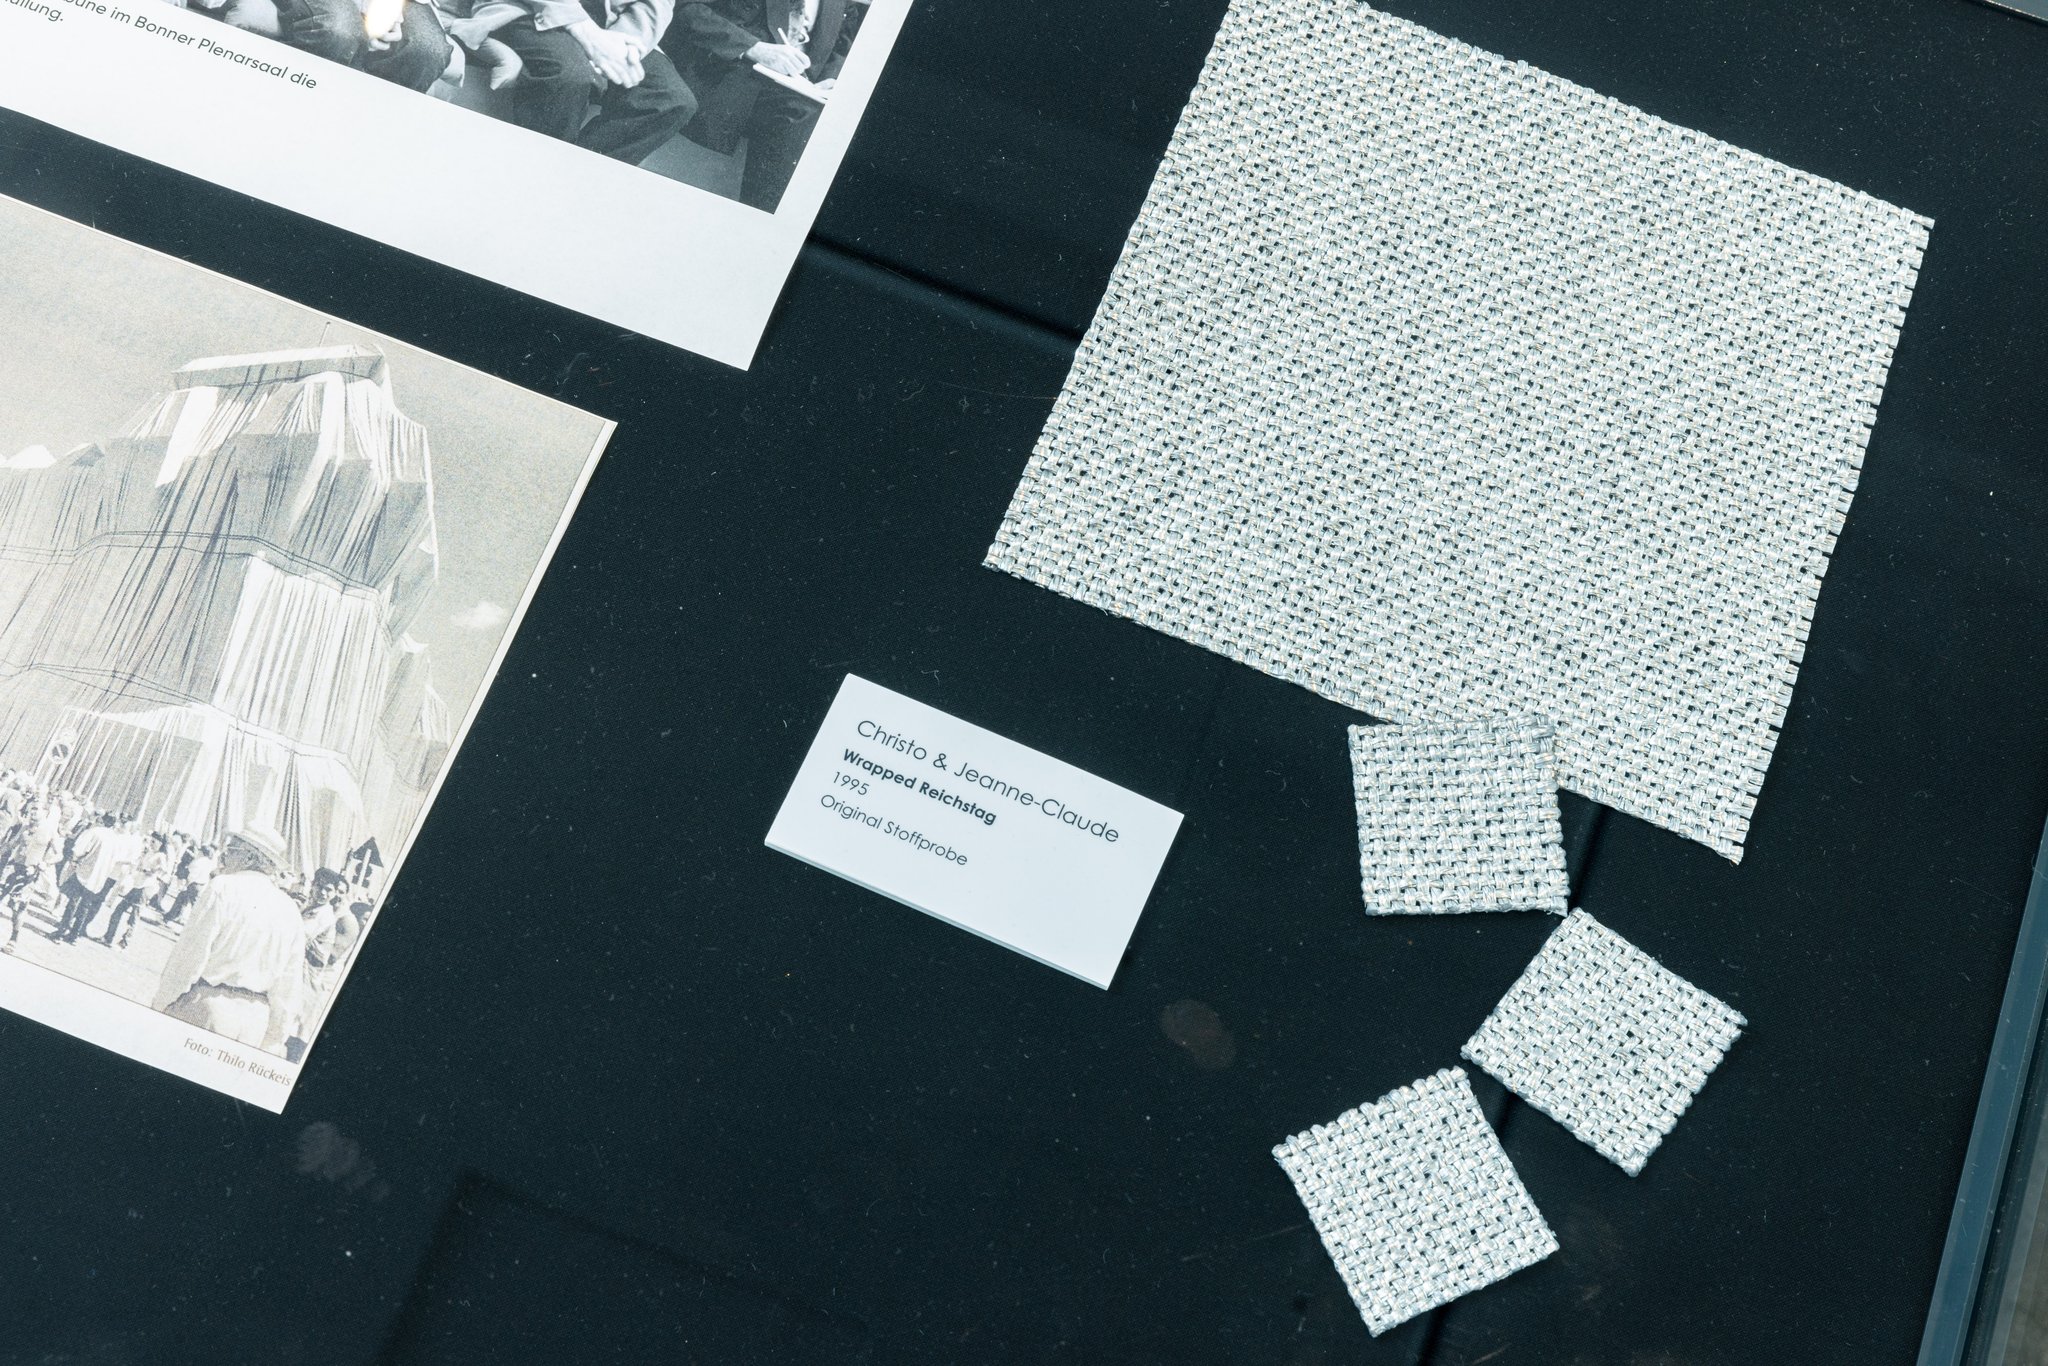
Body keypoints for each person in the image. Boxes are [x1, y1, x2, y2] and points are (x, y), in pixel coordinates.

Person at [663, 0, 860, 211]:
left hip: (801, 85)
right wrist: (752, 47)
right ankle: (759, 218)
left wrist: (832, 78)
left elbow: (844, 43)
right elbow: (685, 8)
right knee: (802, 115)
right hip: (727, 71)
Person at [151, 829, 308, 1054]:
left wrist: (162, 1002)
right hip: (255, 1020)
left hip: (210, 1006)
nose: (223, 855)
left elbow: (190, 955)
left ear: (250, 857)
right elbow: (288, 984)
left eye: (231, 849)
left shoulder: (222, 887)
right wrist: (274, 1037)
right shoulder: (290, 910)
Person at [493, 0, 696, 165]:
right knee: (570, 77)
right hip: (537, 9)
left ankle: (575, 180)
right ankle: (535, 173)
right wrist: (588, 34)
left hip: (611, 22)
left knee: (670, 100)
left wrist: (625, 42)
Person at [53, 813, 136, 944]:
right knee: (85, 906)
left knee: (73, 902)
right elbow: (116, 860)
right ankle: (74, 936)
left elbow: (78, 850)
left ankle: (61, 932)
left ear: (101, 820)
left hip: (83, 872)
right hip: (99, 878)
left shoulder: (95, 832)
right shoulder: (115, 840)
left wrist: (74, 861)